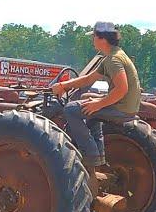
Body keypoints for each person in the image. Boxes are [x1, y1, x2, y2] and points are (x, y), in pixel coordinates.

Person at [51, 22, 141, 193]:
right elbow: (88, 79)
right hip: (124, 106)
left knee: (71, 109)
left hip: (122, 109)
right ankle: (98, 155)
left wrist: (98, 103)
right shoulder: (112, 56)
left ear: (102, 39)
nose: (92, 40)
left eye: (94, 37)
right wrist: (64, 86)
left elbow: (122, 88)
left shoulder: (113, 60)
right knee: (86, 101)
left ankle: (91, 154)